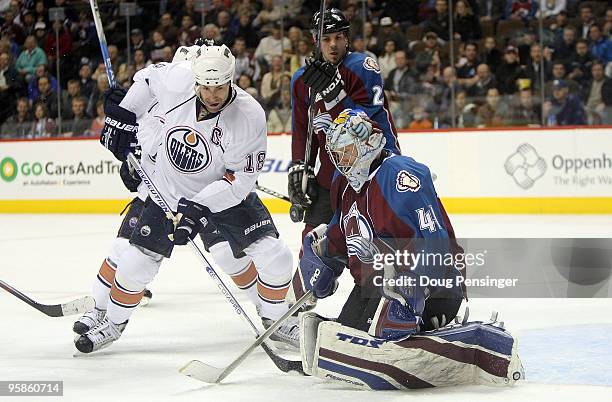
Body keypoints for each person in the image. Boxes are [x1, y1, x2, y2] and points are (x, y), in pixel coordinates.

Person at [74, 43, 298, 353]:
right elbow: (148, 79)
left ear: (231, 79)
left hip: (223, 195)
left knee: (276, 256)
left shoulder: (249, 116)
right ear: (195, 80)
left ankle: (276, 322)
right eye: (206, 87)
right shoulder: (178, 80)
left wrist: (197, 208)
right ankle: (112, 323)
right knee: (135, 264)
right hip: (167, 190)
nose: (213, 94)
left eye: (220, 86)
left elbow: (239, 181)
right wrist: (125, 114)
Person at [295, 108, 523, 389]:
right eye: (337, 154)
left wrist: (411, 292)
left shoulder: (399, 176)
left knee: (374, 335)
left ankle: (474, 343)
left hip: (431, 289)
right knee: (345, 339)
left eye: (347, 152)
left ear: (367, 145)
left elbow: (435, 246)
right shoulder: (344, 184)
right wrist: (322, 257)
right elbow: (340, 234)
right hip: (375, 286)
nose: (341, 161)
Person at [288, 8, 400, 305]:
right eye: (326, 38)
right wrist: (300, 166)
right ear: (315, 40)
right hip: (332, 176)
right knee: (313, 241)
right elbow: (303, 130)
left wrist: (337, 95)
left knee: (368, 244)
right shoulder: (302, 81)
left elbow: (370, 126)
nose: (334, 44)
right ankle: (300, 306)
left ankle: (386, 303)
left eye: (339, 37)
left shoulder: (363, 66)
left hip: (372, 172)